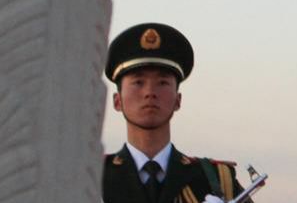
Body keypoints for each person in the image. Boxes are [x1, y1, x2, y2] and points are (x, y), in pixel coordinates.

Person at [103, 22, 243, 203]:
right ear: (117, 101)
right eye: (138, 82)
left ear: (178, 100)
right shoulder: (93, 176)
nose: (149, 92)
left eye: (162, 83)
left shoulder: (215, 180)